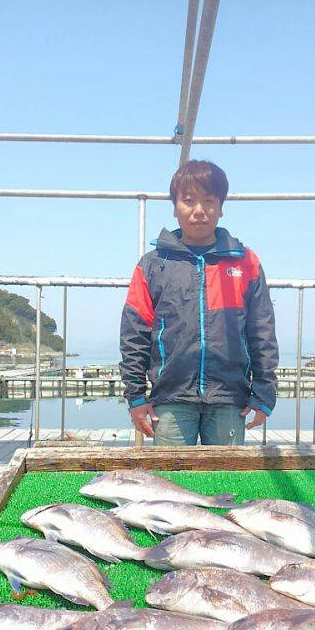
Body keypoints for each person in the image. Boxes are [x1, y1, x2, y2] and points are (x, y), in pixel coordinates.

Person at [119, 160, 279, 446]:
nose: (199, 210)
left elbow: (262, 331)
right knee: (168, 485)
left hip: (229, 398)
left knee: (226, 483)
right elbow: (134, 334)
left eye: (209, 201)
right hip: (170, 398)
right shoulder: (153, 265)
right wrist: (135, 395)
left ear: (221, 207)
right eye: (189, 201)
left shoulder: (246, 262)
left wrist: (264, 391)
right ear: (175, 207)